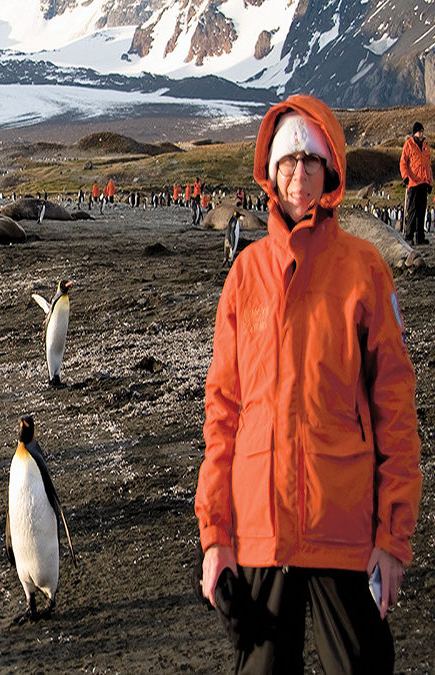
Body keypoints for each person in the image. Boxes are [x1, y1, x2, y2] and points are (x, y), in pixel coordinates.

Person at [196, 95, 422, 672]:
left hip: (342, 527)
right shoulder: (245, 274)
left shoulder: (364, 267)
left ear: (331, 171)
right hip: (261, 527)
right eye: (288, 161)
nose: (299, 174)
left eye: (311, 160)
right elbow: (223, 410)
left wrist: (393, 537)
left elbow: (394, 403)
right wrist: (215, 536)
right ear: (270, 172)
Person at [399, 122, 431, 246]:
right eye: (419, 131)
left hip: (423, 182)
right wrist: (405, 177)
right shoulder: (409, 144)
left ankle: (420, 237)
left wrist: (430, 182)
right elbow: (403, 162)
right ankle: (408, 236)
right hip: (413, 182)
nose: (421, 133)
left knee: (422, 211)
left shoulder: (426, 146)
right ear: (414, 132)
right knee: (412, 210)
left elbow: (428, 166)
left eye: (422, 131)